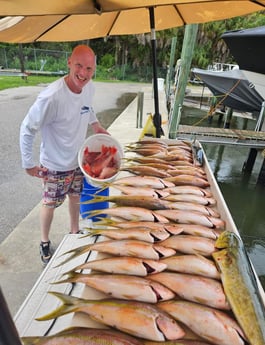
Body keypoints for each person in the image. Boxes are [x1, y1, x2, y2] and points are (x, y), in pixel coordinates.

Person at [19, 45, 109, 266]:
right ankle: (44, 241)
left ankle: (74, 230)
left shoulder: (89, 88)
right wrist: (28, 164)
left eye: (89, 68)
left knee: (75, 197)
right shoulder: (51, 97)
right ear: (69, 62)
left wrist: (96, 125)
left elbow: (88, 108)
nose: (84, 73)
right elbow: (27, 128)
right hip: (54, 164)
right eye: (79, 66)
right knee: (49, 203)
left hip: (77, 159)